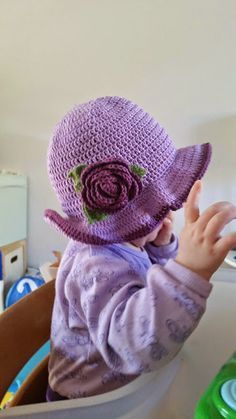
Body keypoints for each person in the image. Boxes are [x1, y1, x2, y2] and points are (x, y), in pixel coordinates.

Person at [45, 96, 236, 401]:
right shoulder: (94, 266)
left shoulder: (123, 241)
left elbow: (140, 290)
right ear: (124, 217)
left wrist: (161, 250)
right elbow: (137, 347)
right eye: (159, 206)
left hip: (131, 390)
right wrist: (190, 269)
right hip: (88, 405)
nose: (169, 210)